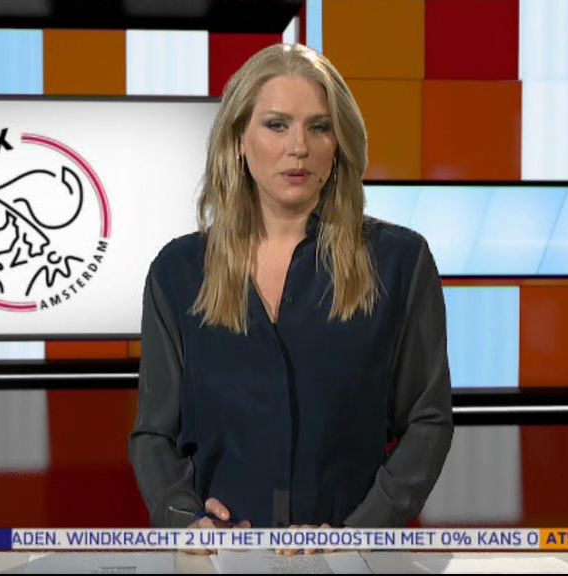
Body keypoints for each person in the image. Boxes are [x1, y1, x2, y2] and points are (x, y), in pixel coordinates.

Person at [129, 44, 453, 539]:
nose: (298, 146)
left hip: (354, 559)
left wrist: (361, 533)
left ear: (339, 143)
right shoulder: (178, 272)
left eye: (319, 127)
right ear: (239, 138)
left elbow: (427, 421)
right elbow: (154, 434)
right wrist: (187, 521)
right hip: (223, 560)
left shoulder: (400, 263)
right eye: (277, 125)